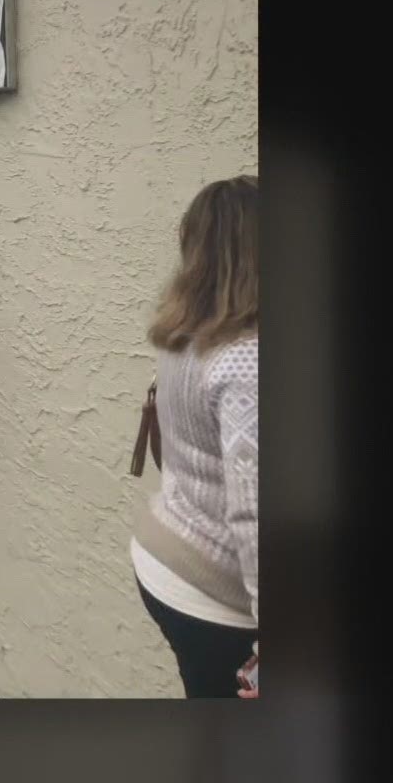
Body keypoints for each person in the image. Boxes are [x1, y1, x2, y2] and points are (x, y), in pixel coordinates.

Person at [130, 176, 259, 699]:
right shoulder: (246, 356)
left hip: (167, 557)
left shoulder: (184, 334)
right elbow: (256, 510)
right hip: (217, 594)